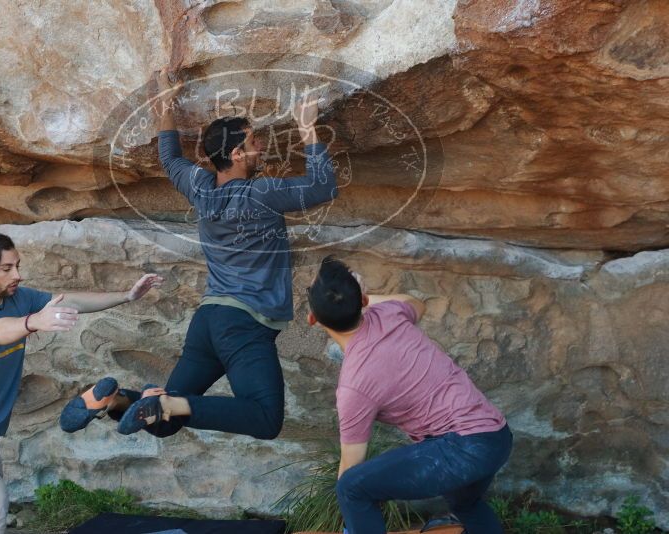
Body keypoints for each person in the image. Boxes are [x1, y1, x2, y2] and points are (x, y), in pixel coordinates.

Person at [109, 69, 339, 439]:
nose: (261, 147)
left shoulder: (200, 187)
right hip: (243, 324)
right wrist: (307, 128)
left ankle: (113, 402)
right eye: (253, 142)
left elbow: (169, 158)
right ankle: (164, 402)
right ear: (235, 154)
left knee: (163, 424)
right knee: (265, 419)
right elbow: (322, 186)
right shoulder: (261, 193)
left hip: (209, 320)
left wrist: (165, 105)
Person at [0, 232, 163, 534]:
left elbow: (70, 301)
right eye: (7, 268)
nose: (17, 275)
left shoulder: (19, 299)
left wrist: (127, 295)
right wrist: (32, 322)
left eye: (17, 265)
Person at [306, 256, 512, 534]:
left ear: (312, 319)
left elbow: (350, 467)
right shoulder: (390, 314)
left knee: (351, 489)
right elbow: (417, 303)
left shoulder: (354, 385)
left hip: (462, 447)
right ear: (364, 300)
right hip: (496, 436)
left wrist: (351, 522)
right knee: (465, 504)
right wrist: (360, 297)